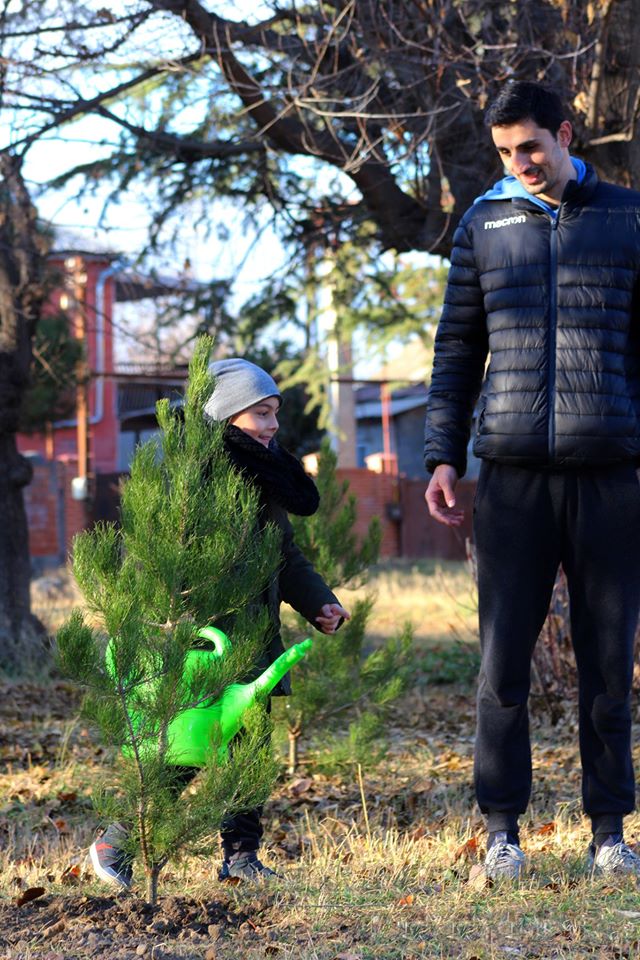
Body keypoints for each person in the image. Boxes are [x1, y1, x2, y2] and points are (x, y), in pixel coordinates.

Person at [424, 80, 640, 881]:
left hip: (610, 474)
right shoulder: (484, 225)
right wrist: (442, 454)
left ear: (565, 133)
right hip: (511, 477)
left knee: (608, 666)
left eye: (531, 148)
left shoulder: (627, 217)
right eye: (506, 152)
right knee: (502, 664)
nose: (520, 164)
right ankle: (502, 833)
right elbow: (456, 348)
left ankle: (609, 834)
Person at [90, 358, 350, 887]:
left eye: (275, 411)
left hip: (255, 640)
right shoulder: (192, 478)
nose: (273, 424)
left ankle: (241, 859)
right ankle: (116, 843)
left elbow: (285, 555)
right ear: (227, 415)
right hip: (202, 644)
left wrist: (319, 603)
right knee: (187, 749)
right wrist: (171, 626)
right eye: (261, 413)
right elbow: (159, 556)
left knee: (248, 752)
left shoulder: (262, 475)